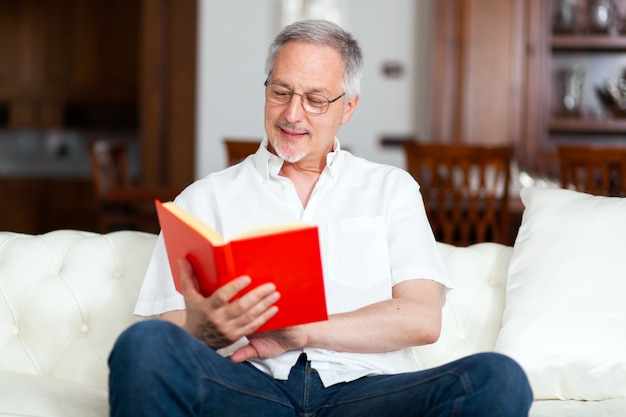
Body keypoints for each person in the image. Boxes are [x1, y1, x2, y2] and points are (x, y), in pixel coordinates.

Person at [108, 19, 532, 417]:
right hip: (247, 388)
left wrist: (305, 331)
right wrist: (202, 330)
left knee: (499, 379)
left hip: (367, 393)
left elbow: (422, 318)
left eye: (314, 99)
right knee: (141, 345)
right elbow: (161, 330)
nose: (292, 114)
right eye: (281, 92)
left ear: (347, 107)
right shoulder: (204, 198)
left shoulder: (391, 189)